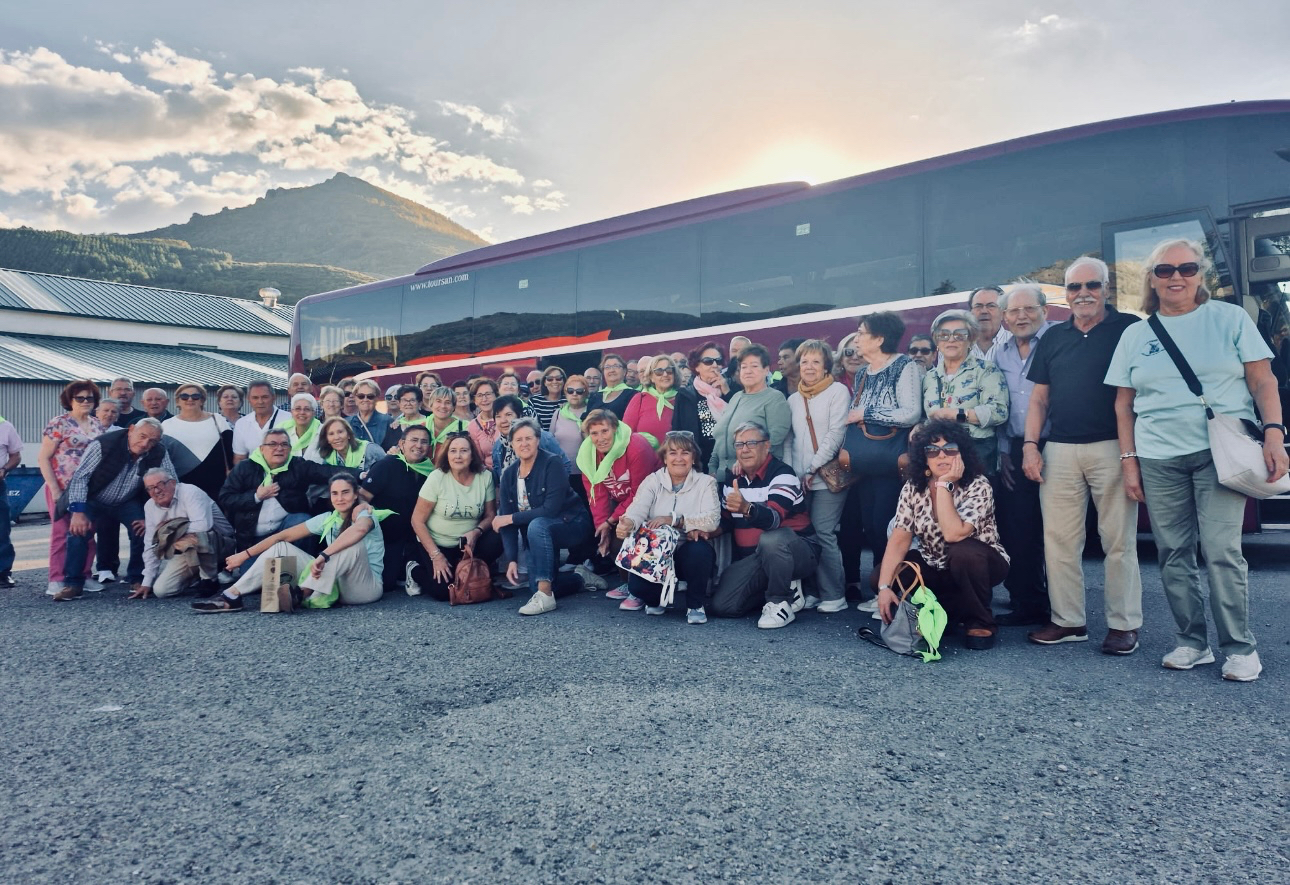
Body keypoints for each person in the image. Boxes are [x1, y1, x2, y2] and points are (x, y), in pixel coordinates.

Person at [1108, 239, 1287, 681]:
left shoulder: (1229, 318)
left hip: (1220, 453)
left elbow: (1264, 382)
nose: (1176, 277)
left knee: (1222, 550)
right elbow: (1122, 405)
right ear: (1152, 279)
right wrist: (1129, 461)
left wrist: (1274, 434)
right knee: (1172, 553)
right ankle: (1192, 642)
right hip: (1157, 455)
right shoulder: (1136, 334)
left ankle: (1240, 647)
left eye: (1187, 269)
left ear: (1201, 275)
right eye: (1165, 270)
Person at [1021, 255, 1143, 655]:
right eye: (1075, 287)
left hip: (1113, 447)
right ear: (1066, 293)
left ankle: (1123, 625)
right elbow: (1039, 399)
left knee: (1118, 541)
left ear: (1107, 288)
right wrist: (1030, 447)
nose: (1084, 293)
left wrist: (1131, 456)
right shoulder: (1053, 337)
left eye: (1092, 285)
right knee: (1058, 540)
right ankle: (1068, 621)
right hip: (1059, 450)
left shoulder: (1130, 329)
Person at [875, 420, 1009, 650]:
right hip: (934, 563)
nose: (941, 456)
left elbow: (954, 534)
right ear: (923, 457)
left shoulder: (979, 485)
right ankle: (943, 613)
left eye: (950, 449)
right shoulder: (913, 487)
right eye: (932, 450)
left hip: (980, 563)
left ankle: (980, 620)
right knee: (884, 574)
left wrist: (944, 485)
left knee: (963, 552)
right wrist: (884, 588)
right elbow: (899, 540)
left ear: (962, 454)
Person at [197, 473, 384, 611]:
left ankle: (300, 593)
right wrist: (244, 555)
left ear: (355, 494)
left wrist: (324, 555)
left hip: (364, 588)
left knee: (353, 545)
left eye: (345, 493)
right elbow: (282, 536)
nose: (340, 498)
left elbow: (359, 530)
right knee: (281, 546)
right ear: (330, 496)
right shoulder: (328, 518)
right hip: (333, 584)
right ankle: (232, 595)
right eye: (335, 493)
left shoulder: (364, 513)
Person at [840, 312, 925, 600]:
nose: (857, 338)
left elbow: (911, 412)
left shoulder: (906, 366)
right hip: (866, 461)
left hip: (892, 461)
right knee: (872, 526)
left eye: (862, 332)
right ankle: (882, 590)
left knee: (886, 525)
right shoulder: (862, 372)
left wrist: (867, 413)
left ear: (879, 338)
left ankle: (894, 591)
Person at [709, 421, 819, 629]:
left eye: (751, 442)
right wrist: (706, 532)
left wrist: (746, 508)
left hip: (799, 551)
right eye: (739, 444)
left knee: (771, 538)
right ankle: (782, 583)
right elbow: (726, 520)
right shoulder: (733, 478)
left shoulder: (783, 473)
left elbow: (774, 519)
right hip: (757, 558)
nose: (745, 449)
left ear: (767, 445)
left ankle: (780, 601)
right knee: (723, 606)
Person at [992, 282, 1057, 626]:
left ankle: (1062, 608)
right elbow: (1000, 403)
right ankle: (1027, 602)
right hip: (1016, 446)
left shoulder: (1059, 341)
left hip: (1057, 443)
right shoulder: (999, 353)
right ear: (1004, 318)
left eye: (1029, 309)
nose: (1022, 316)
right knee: (1019, 527)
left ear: (1044, 311)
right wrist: (1004, 451)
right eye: (1014, 311)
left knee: (1059, 529)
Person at [54, 419, 172, 601]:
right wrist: (78, 512)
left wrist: (156, 516)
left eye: (152, 441)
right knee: (77, 533)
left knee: (143, 530)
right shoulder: (103, 443)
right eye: (142, 436)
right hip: (94, 497)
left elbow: (170, 482)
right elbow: (81, 477)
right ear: (131, 429)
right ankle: (73, 584)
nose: (145, 444)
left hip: (128, 500)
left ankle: (137, 578)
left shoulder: (159, 451)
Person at [615, 431, 722, 622]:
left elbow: (712, 519)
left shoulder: (706, 483)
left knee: (699, 551)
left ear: (694, 457)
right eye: (672, 453)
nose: (679, 458)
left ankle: (695, 605)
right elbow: (638, 508)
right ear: (664, 458)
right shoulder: (652, 481)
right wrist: (628, 522)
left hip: (687, 551)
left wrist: (675, 520)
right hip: (656, 552)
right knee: (638, 589)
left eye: (685, 452)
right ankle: (656, 600)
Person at [495, 418, 594, 616]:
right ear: (511, 444)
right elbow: (506, 521)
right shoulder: (508, 475)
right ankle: (581, 579)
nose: (524, 444)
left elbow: (550, 510)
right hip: (540, 535)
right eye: (518, 439)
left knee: (537, 524)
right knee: (536, 584)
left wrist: (510, 518)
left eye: (529, 438)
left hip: (572, 525)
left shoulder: (552, 462)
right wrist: (512, 559)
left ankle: (545, 597)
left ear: (538, 440)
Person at [786, 339, 851, 612]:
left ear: (826, 365)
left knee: (824, 532)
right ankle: (812, 590)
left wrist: (813, 467)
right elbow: (789, 440)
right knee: (805, 534)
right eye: (804, 362)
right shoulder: (792, 399)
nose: (809, 367)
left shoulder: (838, 392)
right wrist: (794, 474)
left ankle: (835, 595)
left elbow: (837, 434)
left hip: (826, 476)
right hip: (801, 479)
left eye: (815, 361)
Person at [217, 428, 335, 565]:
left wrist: (363, 476)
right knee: (256, 581)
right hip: (253, 540)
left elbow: (327, 472)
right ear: (262, 449)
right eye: (272, 444)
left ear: (290, 449)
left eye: (284, 444)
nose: (279, 448)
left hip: (285, 535)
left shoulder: (297, 465)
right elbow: (225, 498)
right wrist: (256, 497)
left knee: (302, 520)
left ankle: (299, 569)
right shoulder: (245, 468)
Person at [409, 432, 502, 600]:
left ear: (472, 454)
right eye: (453, 451)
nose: (458, 456)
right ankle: (413, 569)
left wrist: (477, 532)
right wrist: (436, 556)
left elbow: (491, 515)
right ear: (447, 454)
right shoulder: (437, 478)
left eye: (464, 451)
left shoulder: (485, 477)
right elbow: (417, 520)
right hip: (438, 544)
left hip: (469, 544)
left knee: (499, 535)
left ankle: (478, 571)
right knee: (444, 592)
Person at [38, 380, 107, 596]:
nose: (86, 401)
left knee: (87, 531)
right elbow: (44, 458)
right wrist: (55, 489)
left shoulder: (98, 425)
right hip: (61, 486)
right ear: (70, 400)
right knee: (61, 533)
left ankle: (83, 575)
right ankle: (57, 578)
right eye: (80, 398)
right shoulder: (59, 423)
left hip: (89, 489)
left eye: (90, 398)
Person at [922, 309, 1008, 471]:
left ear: (971, 339)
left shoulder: (985, 370)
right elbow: (927, 416)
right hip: (939, 457)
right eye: (944, 335)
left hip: (975, 454)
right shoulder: (930, 377)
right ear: (937, 341)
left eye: (960, 334)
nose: (951, 340)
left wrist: (959, 414)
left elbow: (999, 412)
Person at [132, 468, 234, 599]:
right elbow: (150, 544)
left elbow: (203, 525)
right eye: (150, 488)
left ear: (173, 483)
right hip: (186, 550)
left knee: (197, 535)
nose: (156, 491)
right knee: (161, 591)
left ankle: (210, 580)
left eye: (160, 484)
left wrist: (171, 529)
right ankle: (197, 574)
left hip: (221, 544)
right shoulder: (149, 506)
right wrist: (147, 582)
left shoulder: (190, 492)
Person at [578, 409, 661, 569]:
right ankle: (628, 584)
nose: (600, 438)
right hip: (623, 503)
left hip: (653, 502)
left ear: (615, 428)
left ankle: (646, 585)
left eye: (605, 431)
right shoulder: (588, 454)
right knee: (615, 545)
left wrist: (610, 521)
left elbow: (640, 493)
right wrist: (603, 528)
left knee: (631, 542)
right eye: (594, 433)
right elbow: (596, 495)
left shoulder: (637, 447)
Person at [361, 424, 434, 593]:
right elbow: (363, 495)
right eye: (414, 440)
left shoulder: (431, 472)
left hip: (416, 534)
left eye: (424, 442)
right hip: (388, 534)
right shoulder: (386, 466)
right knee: (387, 584)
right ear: (402, 444)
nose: (419, 445)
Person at [708, 344, 792, 477]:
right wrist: (712, 468)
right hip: (723, 476)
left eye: (754, 366)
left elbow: (775, 439)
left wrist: (746, 461)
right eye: (744, 367)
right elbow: (720, 436)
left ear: (766, 370)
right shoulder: (736, 397)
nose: (748, 371)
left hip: (754, 476)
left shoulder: (774, 398)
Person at [162, 382, 234, 500]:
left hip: (217, 486)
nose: (190, 399)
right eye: (184, 396)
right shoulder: (167, 425)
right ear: (178, 401)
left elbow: (230, 450)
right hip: (182, 487)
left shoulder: (217, 419)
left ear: (202, 400)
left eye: (195, 396)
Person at [673, 342, 733, 472]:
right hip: (699, 464)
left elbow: (739, 420)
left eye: (718, 361)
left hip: (730, 461)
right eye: (708, 361)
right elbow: (677, 432)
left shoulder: (732, 389)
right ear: (696, 366)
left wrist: (727, 393)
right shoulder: (685, 396)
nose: (715, 365)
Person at [491, 395, 571, 488]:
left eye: (508, 415)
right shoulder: (498, 446)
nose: (503, 421)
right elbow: (499, 477)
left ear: (519, 416)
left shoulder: (541, 437)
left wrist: (551, 491)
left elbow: (564, 465)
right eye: (498, 416)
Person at [549, 374, 591, 501]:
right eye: (570, 390)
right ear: (565, 393)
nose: (574, 394)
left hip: (586, 472)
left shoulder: (591, 412)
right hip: (562, 472)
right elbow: (550, 442)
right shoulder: (558, 413)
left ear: (585, 393)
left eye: (579, 391)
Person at [622, 354, 679, 446]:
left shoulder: (682, 399)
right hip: (645, 458)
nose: (665, 374)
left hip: (675, 458)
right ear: (651, 377)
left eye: (669, 370)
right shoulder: (639, 399)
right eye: (659, 371)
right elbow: (625, 435)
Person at [232, 380, 288, 464]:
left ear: (274, 397)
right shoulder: (241, 424)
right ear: (249, 399)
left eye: (265, 397)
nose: (260, 402)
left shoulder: (289, 419)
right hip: (253, 475)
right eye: (255, 398)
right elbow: (239, 458)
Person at [309, 416, 383, 474]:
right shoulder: (327, 459)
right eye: (331, 434)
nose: (336, 437)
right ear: (327, 439)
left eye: (340, 432)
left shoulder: (370, 450)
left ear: (349, 435)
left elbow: (389, 470)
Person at [0, 413, 23, 588]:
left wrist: (4, 469)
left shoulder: (5, 426)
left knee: (1, 529)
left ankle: (3, 573)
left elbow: (16, 456)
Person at [588, 353, 637, 420]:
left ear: (624, 371)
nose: (612, 370)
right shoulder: (595, 396)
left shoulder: (633, 395)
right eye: (607, 367)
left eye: (616, 366)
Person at [967, 285, 1011, 358]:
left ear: (1003, 312)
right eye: (978, 306)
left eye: (991, 306)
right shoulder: (957, 345)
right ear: (970, 312)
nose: (984, 311)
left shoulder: (1017, 343)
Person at [467, 378, 501, 468]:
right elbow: (478, 459)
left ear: (496, 396)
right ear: (475, 401)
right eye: (479, 395)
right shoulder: (473, 426)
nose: (484, 399)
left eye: (488, 394)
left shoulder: (506, 418)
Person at [348, 379, 393, 446]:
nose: (365, 400)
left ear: (376, 399)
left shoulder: (388, 422)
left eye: (370, 396)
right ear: (355, 399)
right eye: (361, 396)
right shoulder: (346, 423)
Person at [381, 385, 427, 452]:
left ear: (419, 404)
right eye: (404, 400)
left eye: (412, 400)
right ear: (399, 404)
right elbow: (385, 449)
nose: (408, 404)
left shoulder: (428, 423)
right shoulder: (394, 426)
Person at [282, 393, 323, 457]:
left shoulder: (324, 432)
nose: (302, 412)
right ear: (292, 412)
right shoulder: (282, 431)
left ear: (314, 413)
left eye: (307, 409)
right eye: (298, 409)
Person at [528, 366, 567, 431]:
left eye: (558, 378)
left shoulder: (569, 400)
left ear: (563, 381)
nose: (554, 381)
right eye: (550, 379)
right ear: (544, 383)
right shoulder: (534, 401)